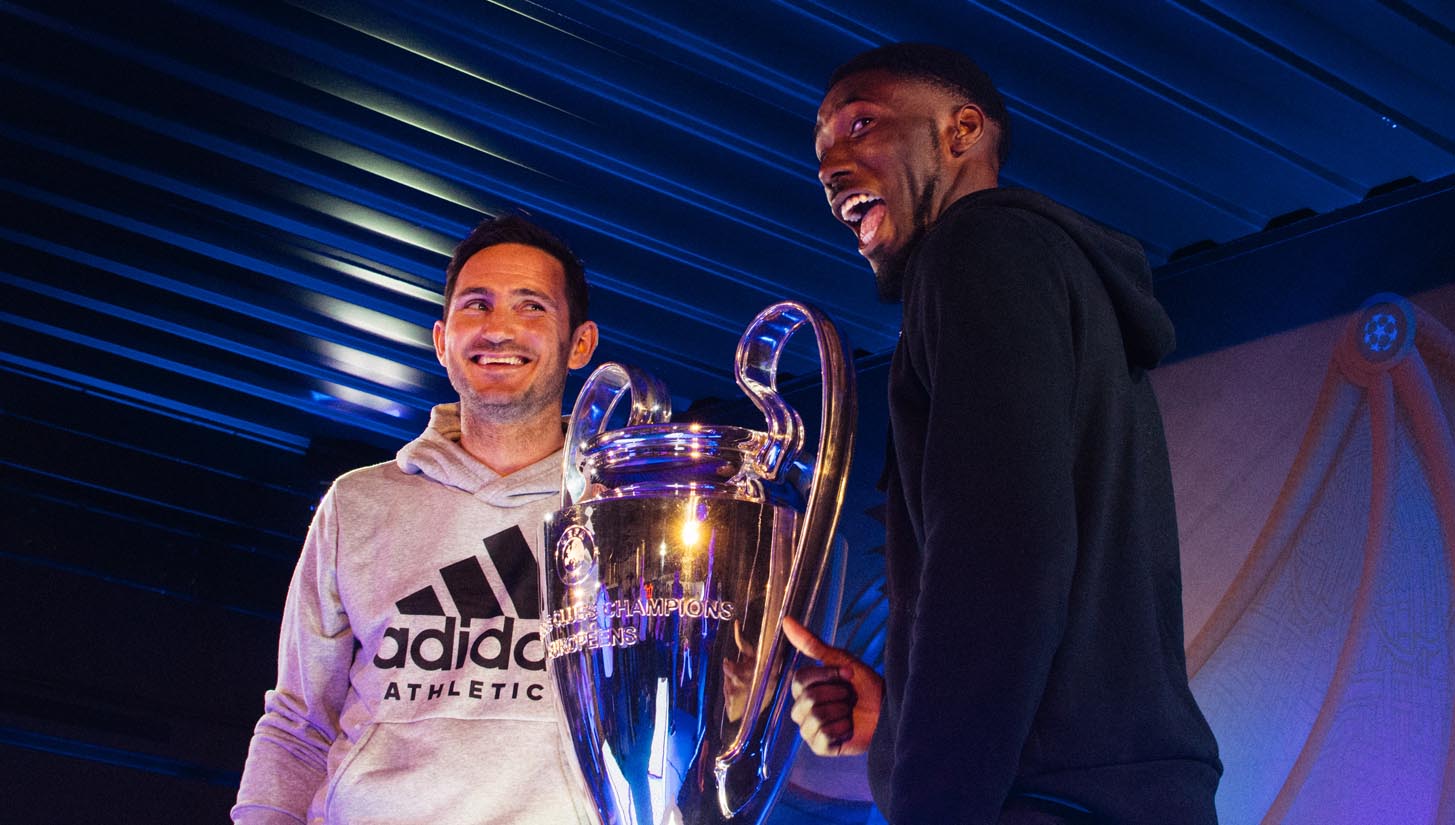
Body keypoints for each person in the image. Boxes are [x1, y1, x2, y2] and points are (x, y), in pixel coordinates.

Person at [782, 43, 1222, 824]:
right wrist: (902, 719)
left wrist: (935, 800)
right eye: (820, 150)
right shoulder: (1037, 271)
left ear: (962, 130)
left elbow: (1000, 553)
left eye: (859, 125)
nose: (829, 165)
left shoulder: (977, 247)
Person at [232, 215, 600, 824]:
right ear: (442, 338)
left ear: (580, 344)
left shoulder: (622, 512)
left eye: (531, 306)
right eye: (476, 305)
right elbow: (298, 720)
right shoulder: (358, 503)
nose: (498, 328)